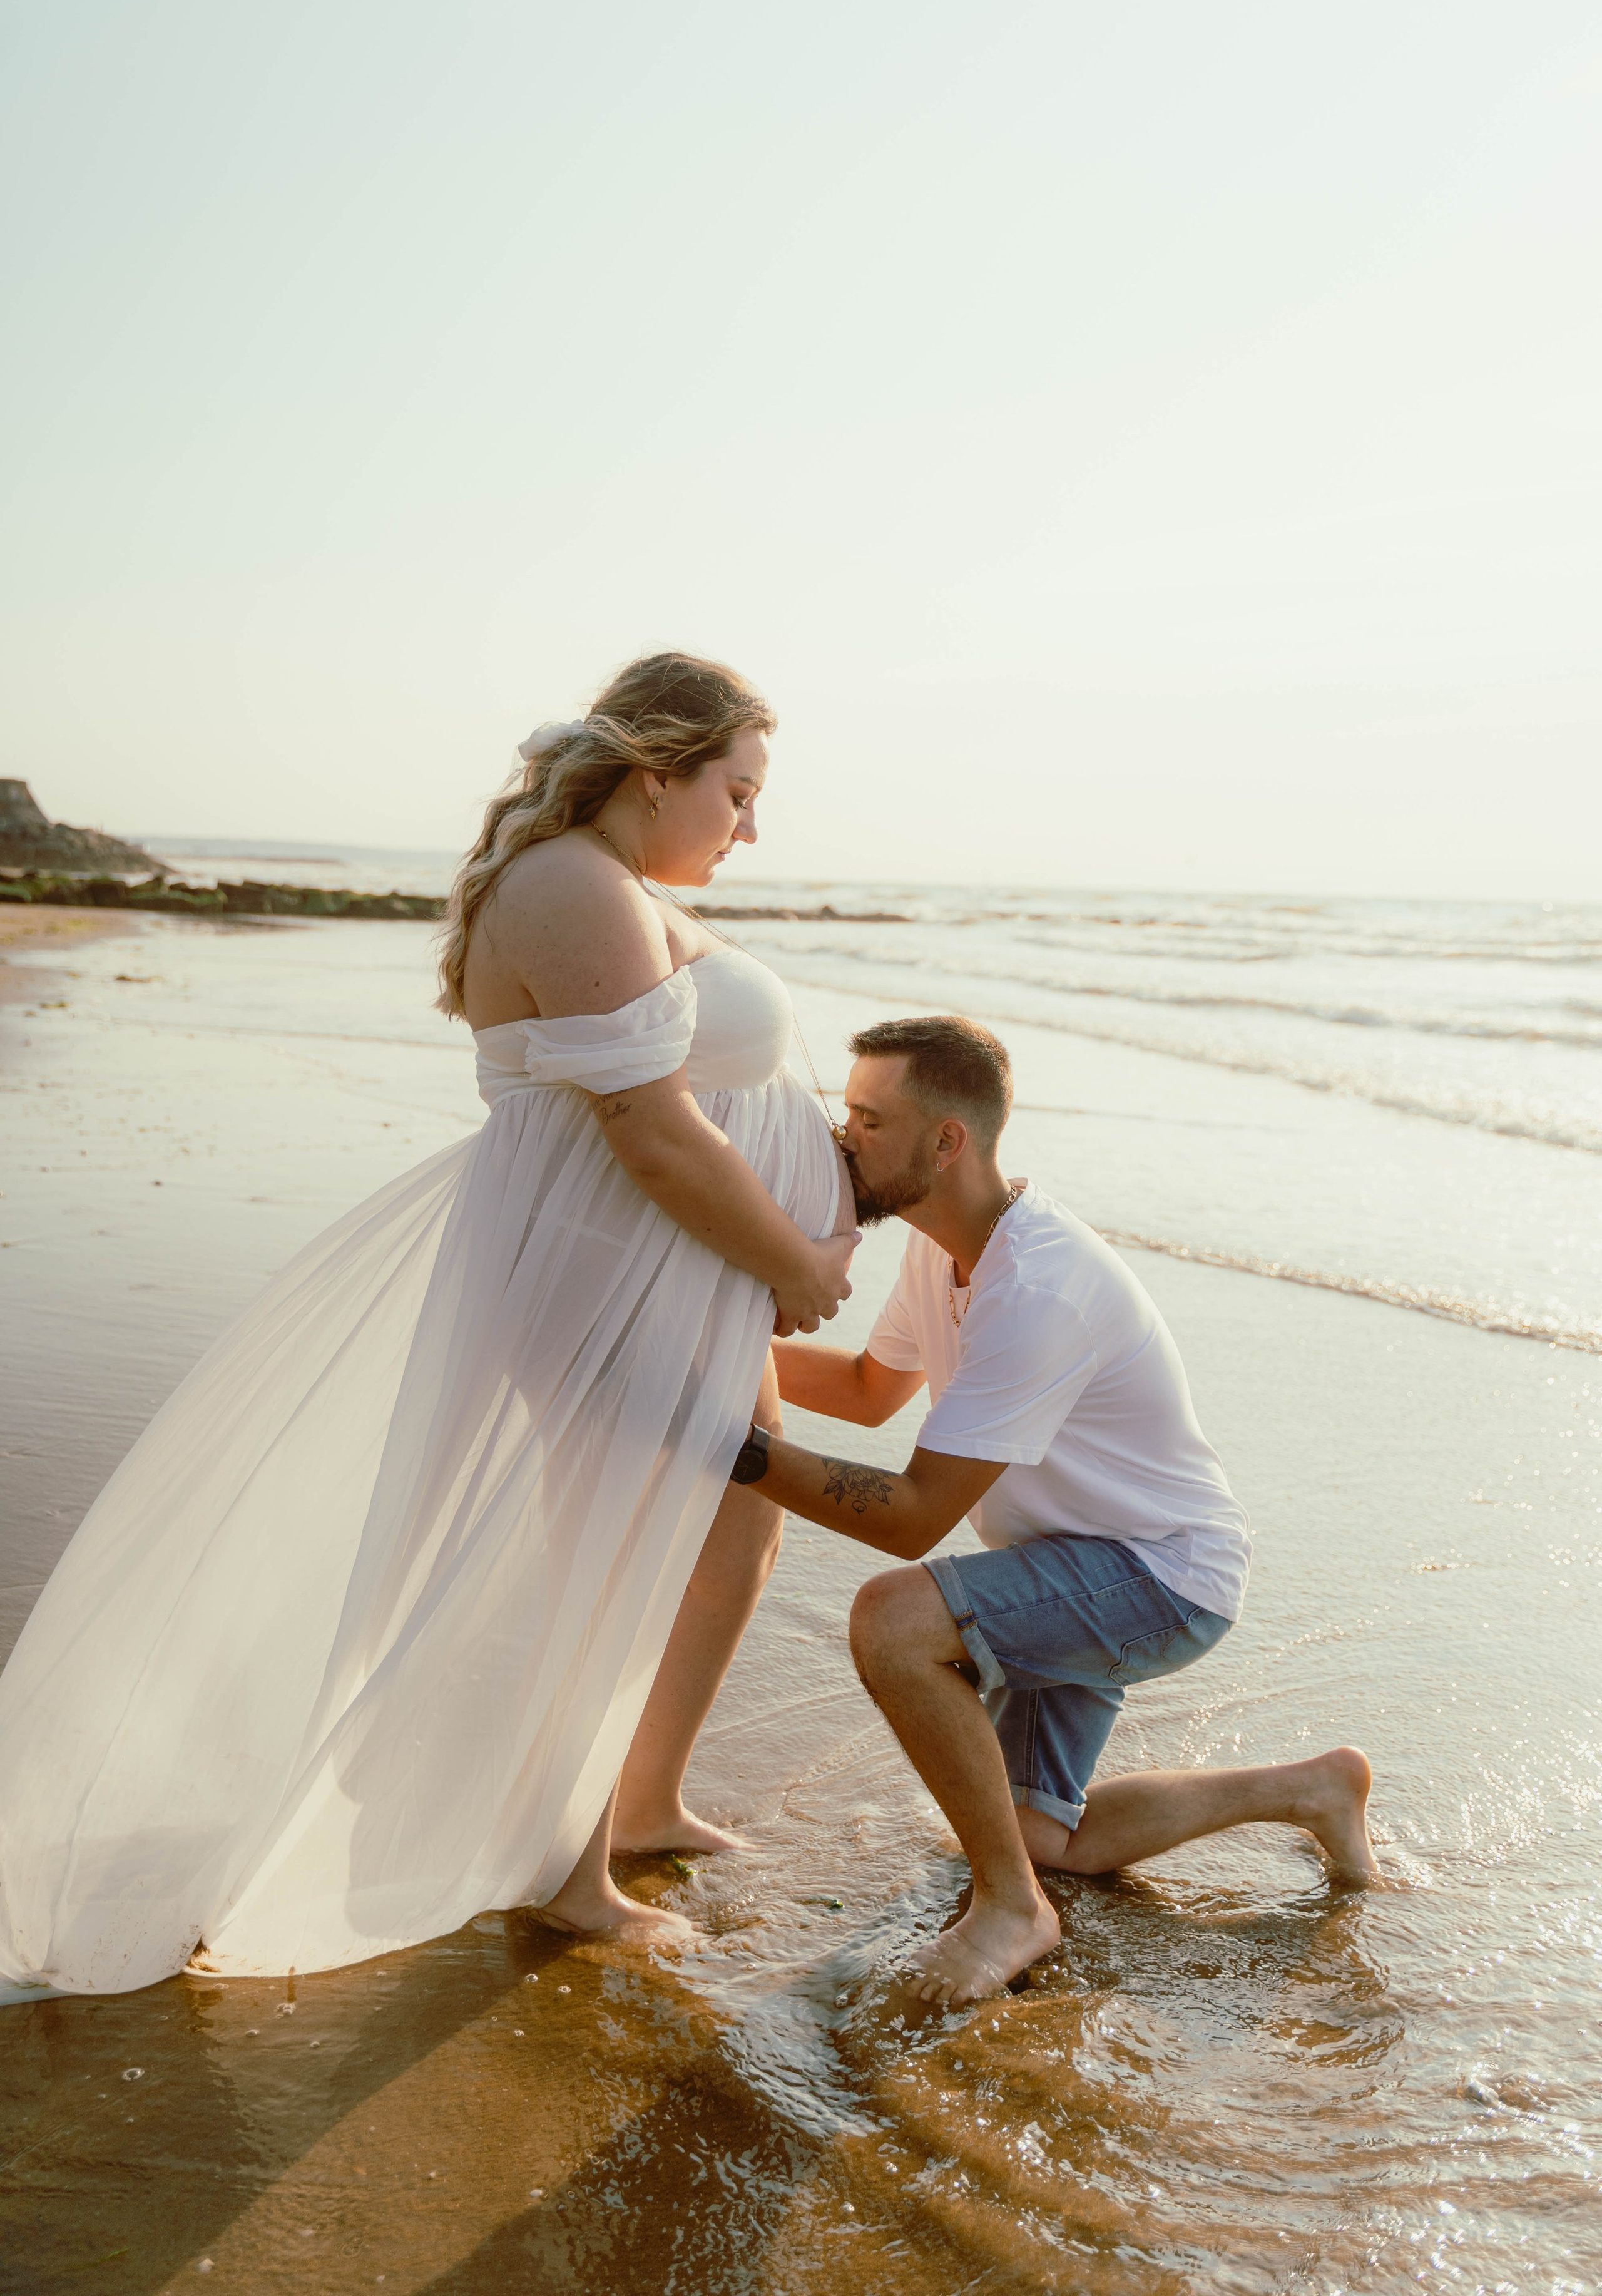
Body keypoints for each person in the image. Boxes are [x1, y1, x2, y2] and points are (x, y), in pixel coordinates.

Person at [0, 652, 857, 1999]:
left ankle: (637, 1798)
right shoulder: (570, 881)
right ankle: (573, 1873)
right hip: (605, 1281)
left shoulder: (610, 884)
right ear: (655, 773)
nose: (749, 828)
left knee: (730, 1527)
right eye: (735, 793)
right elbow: (647, 1133)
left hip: (672, 1277)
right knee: (604, 1562)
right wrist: (796, 1262)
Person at [733, 1014, 1376, 2008]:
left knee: (894, 1621)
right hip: (1068, 1559)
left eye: (868, 1116)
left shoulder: (1036, 1287)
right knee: (1041, 1836)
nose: (842, 1136)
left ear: (947, 1141)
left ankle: (1009, 1912)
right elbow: (869, 1386)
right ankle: (1310, 1789)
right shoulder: (939, 1246)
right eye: (845, 1111)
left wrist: (733, 1446)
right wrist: (712, 1347)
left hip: (1161, 1576)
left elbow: (910, 1519)